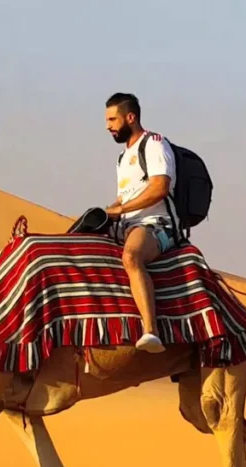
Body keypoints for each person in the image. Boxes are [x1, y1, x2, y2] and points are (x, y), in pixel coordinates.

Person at [103, 92, 182, 354]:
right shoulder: (122, 157)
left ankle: (151, 330)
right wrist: (108, 212)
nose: (108, 126)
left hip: (154, 224)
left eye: (113, 119)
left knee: (131, 257)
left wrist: (122, 208)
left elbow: (159, 188)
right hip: (125, 223)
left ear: (131, 117)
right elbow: (125, 195)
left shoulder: (154, 144)